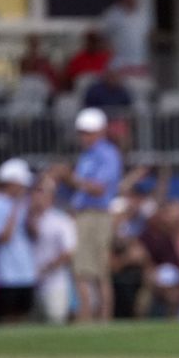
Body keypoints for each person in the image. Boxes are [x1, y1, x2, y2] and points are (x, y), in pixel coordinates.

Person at [55, 108, 121, 322]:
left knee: (94, 269)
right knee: (84, 268)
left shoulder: (107, 154)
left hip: (96, 214)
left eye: (89, 132)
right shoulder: (88, 155)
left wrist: (69, 177)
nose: (84, 136)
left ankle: (98, 317)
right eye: (82, 132)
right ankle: (92, 316)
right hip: (86, 214)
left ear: (100, 131)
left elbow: (99, 188)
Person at [0, 158, 36, 323]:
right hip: (6, 273)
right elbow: (4, 237)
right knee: (8, 317)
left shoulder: (25, 203)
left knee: (23, 315)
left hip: (26, 271)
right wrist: (15, 208)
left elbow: (33, 233)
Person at [27, 175, 76, 325]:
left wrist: (47, 268)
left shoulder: (61, 221)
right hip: (31, 283)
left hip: (55, 283)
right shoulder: (28, 218)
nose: (37, 196)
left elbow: (68, 252)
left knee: (55, 322)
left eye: (41, 192)